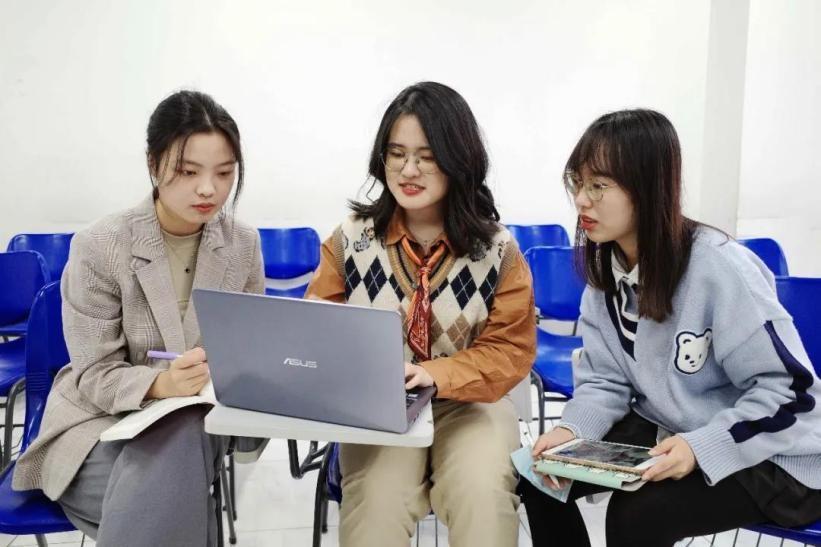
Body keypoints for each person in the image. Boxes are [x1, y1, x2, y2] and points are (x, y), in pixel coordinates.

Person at [520, 108, 821, 546]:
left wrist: (700, 447)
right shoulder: (607, 271)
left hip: (778, 453)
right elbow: (605, 380)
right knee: (540, 479)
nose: (582, 200)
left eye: (599, 185)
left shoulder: (720, 268)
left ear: (648, 187)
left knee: (637, 515)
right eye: (578, 183)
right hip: (674, 426)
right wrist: (572, 432)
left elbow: (790, 393)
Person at [13, 90, 264, 547]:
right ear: (153, 164)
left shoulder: (242, 245)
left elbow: (252, 349)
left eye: (225, 173)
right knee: (182, 501)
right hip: (99, 426)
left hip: (201, 423)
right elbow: (93, 373)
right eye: (188, 172)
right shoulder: (101, 245)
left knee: (179, 445)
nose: (208, 189)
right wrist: (162, 385)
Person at [305, 81, 537, 547]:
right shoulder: (350, 241)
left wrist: (434, 374)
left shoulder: (498, 251)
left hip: (472, 404)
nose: (408, 170)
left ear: (458, 160)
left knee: (482, 495)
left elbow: (509, 351)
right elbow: (317, 329)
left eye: (427, 157)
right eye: (397, 154)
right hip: (376, 405)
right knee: (376, 501)